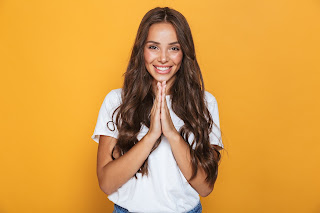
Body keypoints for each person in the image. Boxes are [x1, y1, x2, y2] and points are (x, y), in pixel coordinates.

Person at [91, 7, 224, 213]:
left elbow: (205, 187)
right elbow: (106, 183)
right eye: (153, 47)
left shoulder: (205, 103)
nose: (163, 58)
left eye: (173, 48)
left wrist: (171, 133)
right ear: (141, 50)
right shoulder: (117, 101)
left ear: (184, 52)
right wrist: (152, 136)